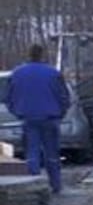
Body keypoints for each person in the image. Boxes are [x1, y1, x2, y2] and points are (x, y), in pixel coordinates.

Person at [4, 44, 71, 194]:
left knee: (32, 151)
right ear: (42, 55)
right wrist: (61, 112)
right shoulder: (53, 73)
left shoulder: (18, 73)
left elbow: (8, 97)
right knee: (52, 153)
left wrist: (17, 112)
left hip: (28, 117)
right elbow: (64, 96)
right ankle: (55, 185)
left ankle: (33, 182)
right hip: (50, 117)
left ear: (29, 54)